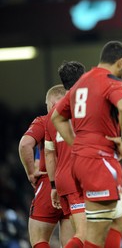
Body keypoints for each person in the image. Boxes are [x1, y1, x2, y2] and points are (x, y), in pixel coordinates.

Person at [51, 41, 122, 248]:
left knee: (119, 215)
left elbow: (57, 117)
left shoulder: (82, 82)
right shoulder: (111, 81)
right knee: (93, 236)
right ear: (121, 62)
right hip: (98, 160)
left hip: (83, 161)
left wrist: (77, 144)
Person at [18, 85, 73, 248]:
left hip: (50, 184)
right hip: (72, 186)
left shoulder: (44, 120)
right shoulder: (77, 122)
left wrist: (31, 172)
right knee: (70, 242)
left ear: (52, 102)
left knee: (39, 240)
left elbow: (24, 145)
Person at [44, 61, 86, 248]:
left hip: (62, 180)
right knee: (86, 236)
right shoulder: (84, 107)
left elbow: (49, 154)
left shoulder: (52, 114)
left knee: (71, 237)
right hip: (79, 178)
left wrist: (53, 185)